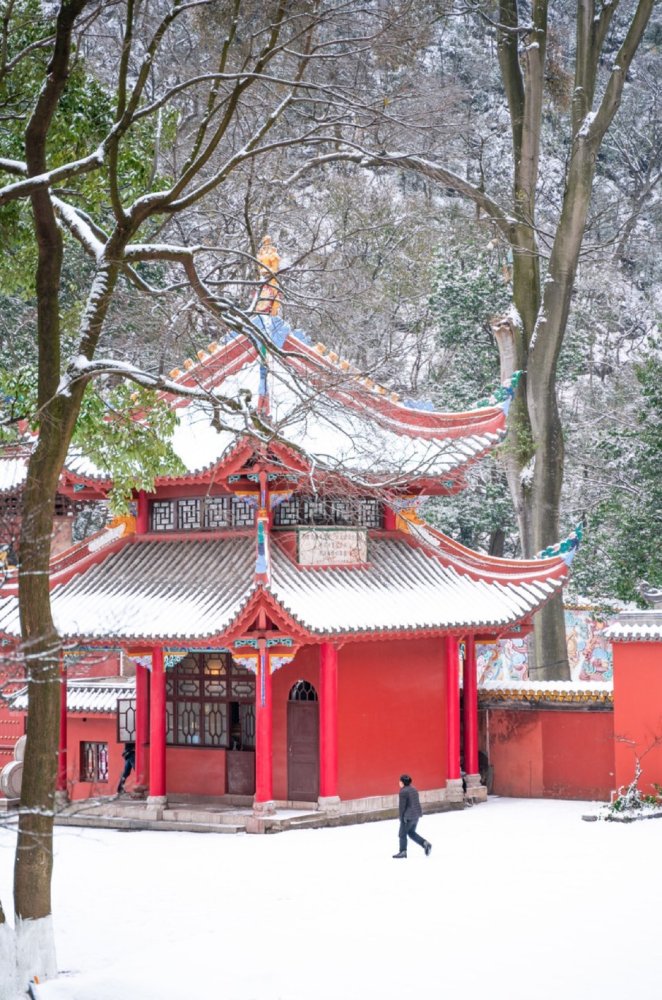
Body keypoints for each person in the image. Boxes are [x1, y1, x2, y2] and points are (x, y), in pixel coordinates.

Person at [393, 774, 432, 858]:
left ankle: (403, 851)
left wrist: (401, 817)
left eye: (400, 781)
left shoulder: (403, 791)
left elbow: (402, 806)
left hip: (408, 817)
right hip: (416, 815)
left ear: (403, 782)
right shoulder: (413, 789)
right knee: (411, 833)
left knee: (402, 834)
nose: (399, 782)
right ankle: (425, 843)